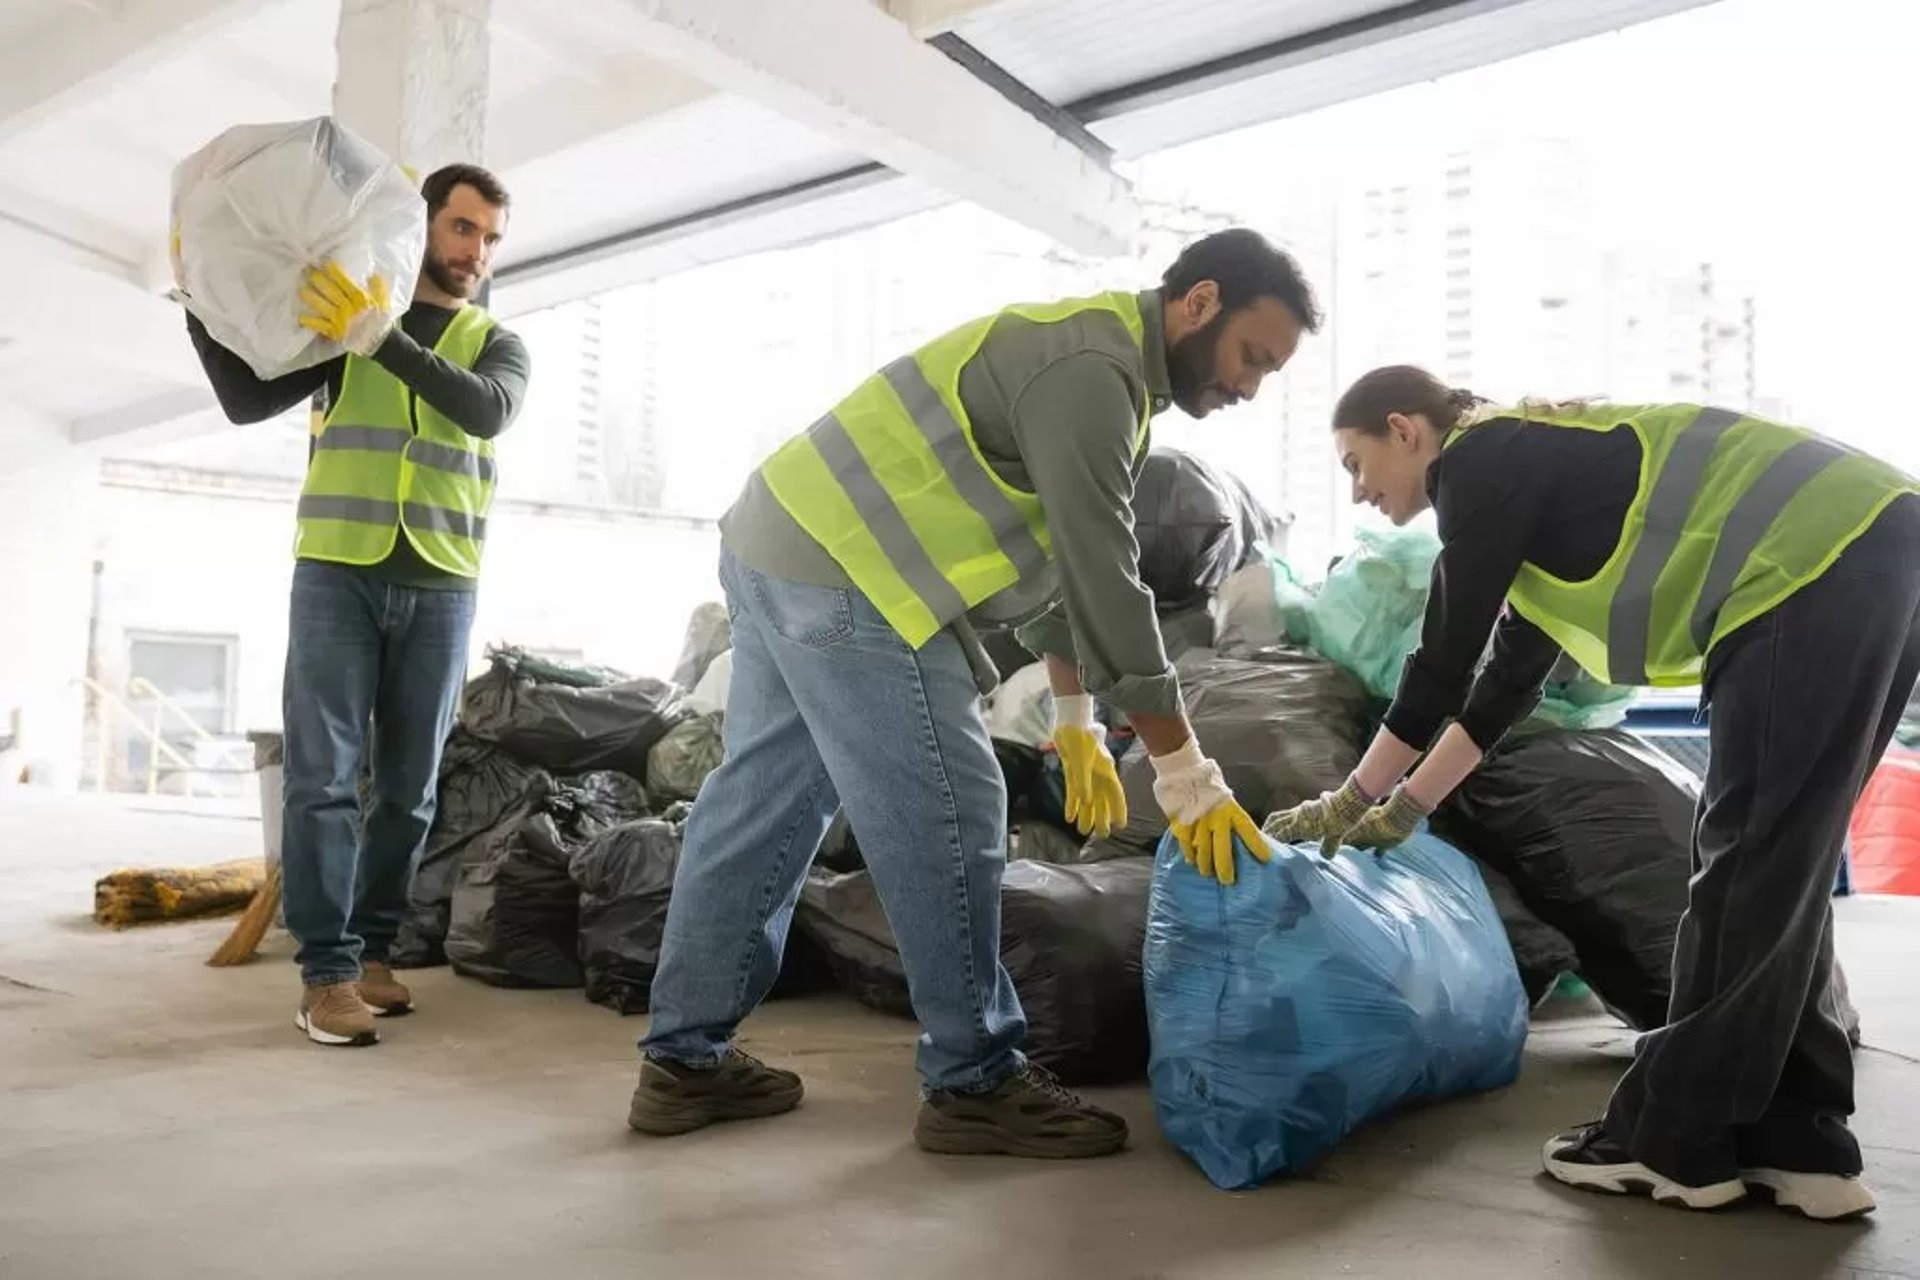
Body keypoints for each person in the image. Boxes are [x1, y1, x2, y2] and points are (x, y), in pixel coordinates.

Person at [626, 229, 1322, 1158]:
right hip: (851, 574)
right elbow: (1107, 576)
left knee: (761, 804)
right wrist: (1184, 769)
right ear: (1199, 303)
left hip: (780, 539)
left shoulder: (1091, 359)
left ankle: (684, 1059)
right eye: (1252, 357)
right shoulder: (1093, 372)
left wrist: (1077, 723)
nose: (1248, 387)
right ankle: (974, 1078)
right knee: (951, 806)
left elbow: (1057, 572)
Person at [1265, 365, 1917, 1222]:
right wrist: (1410, 807)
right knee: (1779, 866)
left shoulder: (1485, 454)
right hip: (1873, 549)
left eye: (1357, 461)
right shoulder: (1546, 501)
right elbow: (1499, 690)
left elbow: (1441, 662)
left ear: (1407, 430)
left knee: (1746, 865)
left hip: (1810, 566)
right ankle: (1801, 1143)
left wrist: (1349, 800)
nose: (1357, 492)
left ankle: (1672, 1141)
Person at [183, 163, 531, 1047]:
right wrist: (201, 300)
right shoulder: (345, 330)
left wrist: (384, 340)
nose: (476, 252)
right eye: (463, 229)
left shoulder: (498, 344)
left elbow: (485, 414)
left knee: (410, 791)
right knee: (323, 780)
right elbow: (246, 399)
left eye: (490, 237)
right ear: (423, 228)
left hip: (442, 585)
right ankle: (327, 975)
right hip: (337, 571)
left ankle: (374, 953)